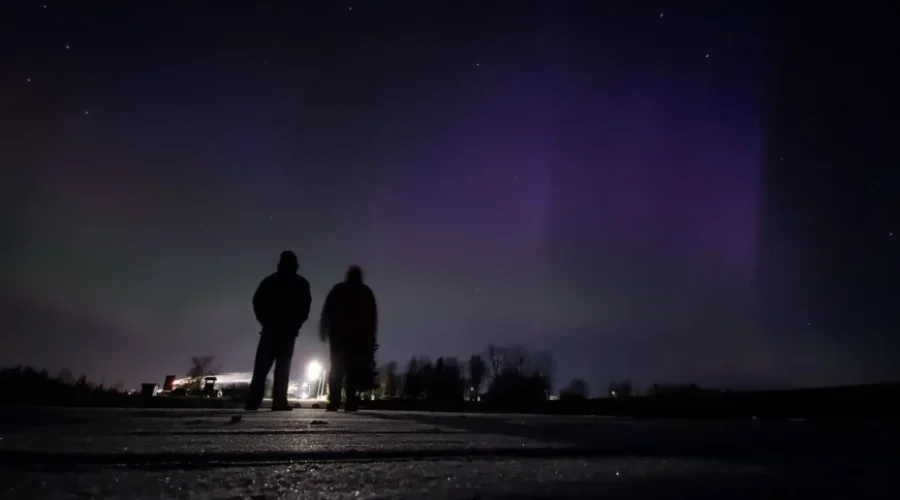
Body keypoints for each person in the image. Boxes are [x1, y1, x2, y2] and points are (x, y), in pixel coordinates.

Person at [245, 250, 312, 411]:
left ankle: (253, 401)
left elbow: (257, 302)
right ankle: (279, 401)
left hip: (270, 330)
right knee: (282, 369)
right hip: (287, 331)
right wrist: (295, 325)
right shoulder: (301, 283)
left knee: (261, 369)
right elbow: (305, 308)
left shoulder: (269, 281)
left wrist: (264, 322)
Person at [319, 265, 378, 412]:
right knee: (352, 371)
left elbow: (327, 311)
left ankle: (335, 401)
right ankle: (350, 401)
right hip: (357, 339)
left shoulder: (339, 290)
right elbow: (372, 318)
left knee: (337, 370)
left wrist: (324, 329)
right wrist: (371, 337)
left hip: (339, 337)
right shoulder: (365, 292)